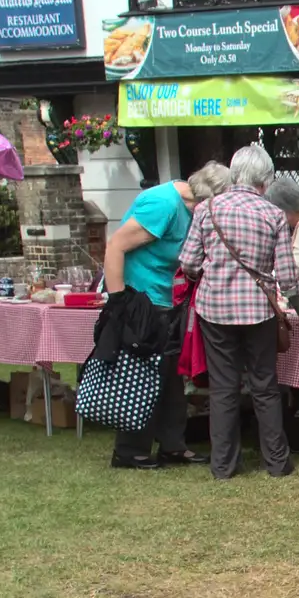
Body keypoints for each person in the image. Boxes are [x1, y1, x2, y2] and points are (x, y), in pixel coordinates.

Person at [180, 143, 299, 481]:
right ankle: (276, 463)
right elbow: (287, 275)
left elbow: (188, 262)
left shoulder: (206, 210)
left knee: (222, 388)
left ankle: (223, 465)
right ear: (265, 180)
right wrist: (298, 309)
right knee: (264, 386)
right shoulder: (273, 214)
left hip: (215, 309)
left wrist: (208, 272)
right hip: (258, 310)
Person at [100, 162, 230, 470]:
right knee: (140, 376)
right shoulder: (162, 204)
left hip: (165, 298)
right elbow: (115, 245)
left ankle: (173, 445)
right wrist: (119, 302)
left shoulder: (193, 210)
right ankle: (130, 451)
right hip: (138, 298)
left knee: (171, 376)